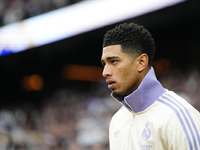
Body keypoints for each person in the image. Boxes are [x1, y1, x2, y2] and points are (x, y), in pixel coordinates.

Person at [101, 22, 200, 150]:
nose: (105, 72)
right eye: (104, 64)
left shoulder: (177, 115)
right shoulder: (117, 121)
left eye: (114, 61)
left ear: (141, 62)